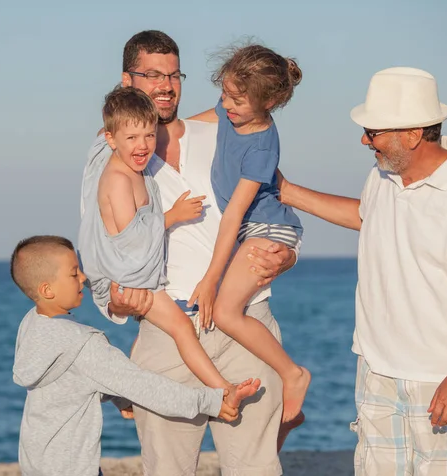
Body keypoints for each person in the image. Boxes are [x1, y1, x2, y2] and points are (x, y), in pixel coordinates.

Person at [80, 30, 300, 475]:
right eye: (151, 75)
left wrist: (288, 256)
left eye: (173, 74)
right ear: (127, 80)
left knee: (257, 467)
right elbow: (99, 241)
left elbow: (275, 203)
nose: (165, 85)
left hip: (246, 321)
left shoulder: (224, 129)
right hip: (168, 334)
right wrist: (114, 302)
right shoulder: (113, 156)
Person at [278, 67, 447, 474]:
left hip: (444, 378)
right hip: (378, 374)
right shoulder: (383, 176)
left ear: (413, 133)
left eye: (374, 131)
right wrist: (287, 191)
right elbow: (366, 216)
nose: (365, 140)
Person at [78, 86, 260, 407]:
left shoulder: (135, 165)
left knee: (177, 330)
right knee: (181, 329)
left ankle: (125, 395)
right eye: (132, 138)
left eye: (149, 136)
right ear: (111, 140)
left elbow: (168, 125)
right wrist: (172, 216)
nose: (143, 145)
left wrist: (226, 106)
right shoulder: (119, 180)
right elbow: (131, 238)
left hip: (136, 273)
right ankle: (223, 391)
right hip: (126, 278)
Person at [10, 235, 246, 476]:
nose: (83, 278)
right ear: (47, 290)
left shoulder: (31, 326)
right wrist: (212, 402)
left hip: (36, 465)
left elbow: (72, 381)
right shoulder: (83, 344)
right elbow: (147, 387)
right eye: (73, 273)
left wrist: (119, 397)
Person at [188, 44, 310, 423]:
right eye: (224, 94)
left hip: (267, 228)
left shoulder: (262, 147)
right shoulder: (231, 111)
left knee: (224, 311)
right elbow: (198, 121)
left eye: (237, 100)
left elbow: (234, 215)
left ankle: (293, 373)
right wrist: (154, 130)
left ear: (268, 101)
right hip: (250, 228)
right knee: (226, 310)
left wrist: (210, 279)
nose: (227, 105)